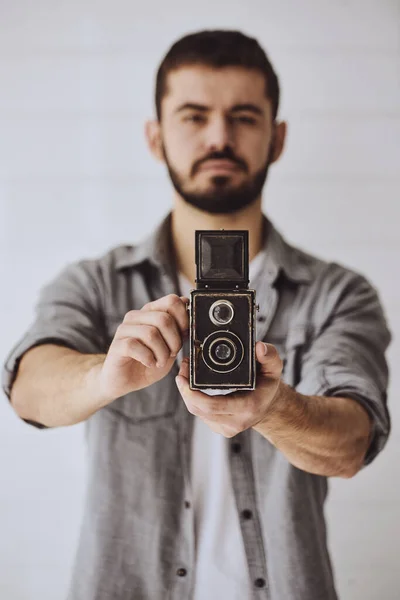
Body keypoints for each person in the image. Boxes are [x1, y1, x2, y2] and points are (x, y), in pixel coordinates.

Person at [2, 30, 391, 600]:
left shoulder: (338, 294)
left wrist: (276, 407)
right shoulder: (95, 283)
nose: (219, 137)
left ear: (277, 139)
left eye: (243, 117)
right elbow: (27, 386)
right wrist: (105, 376)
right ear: (156, 138)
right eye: (193, 116)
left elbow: (353, 441)